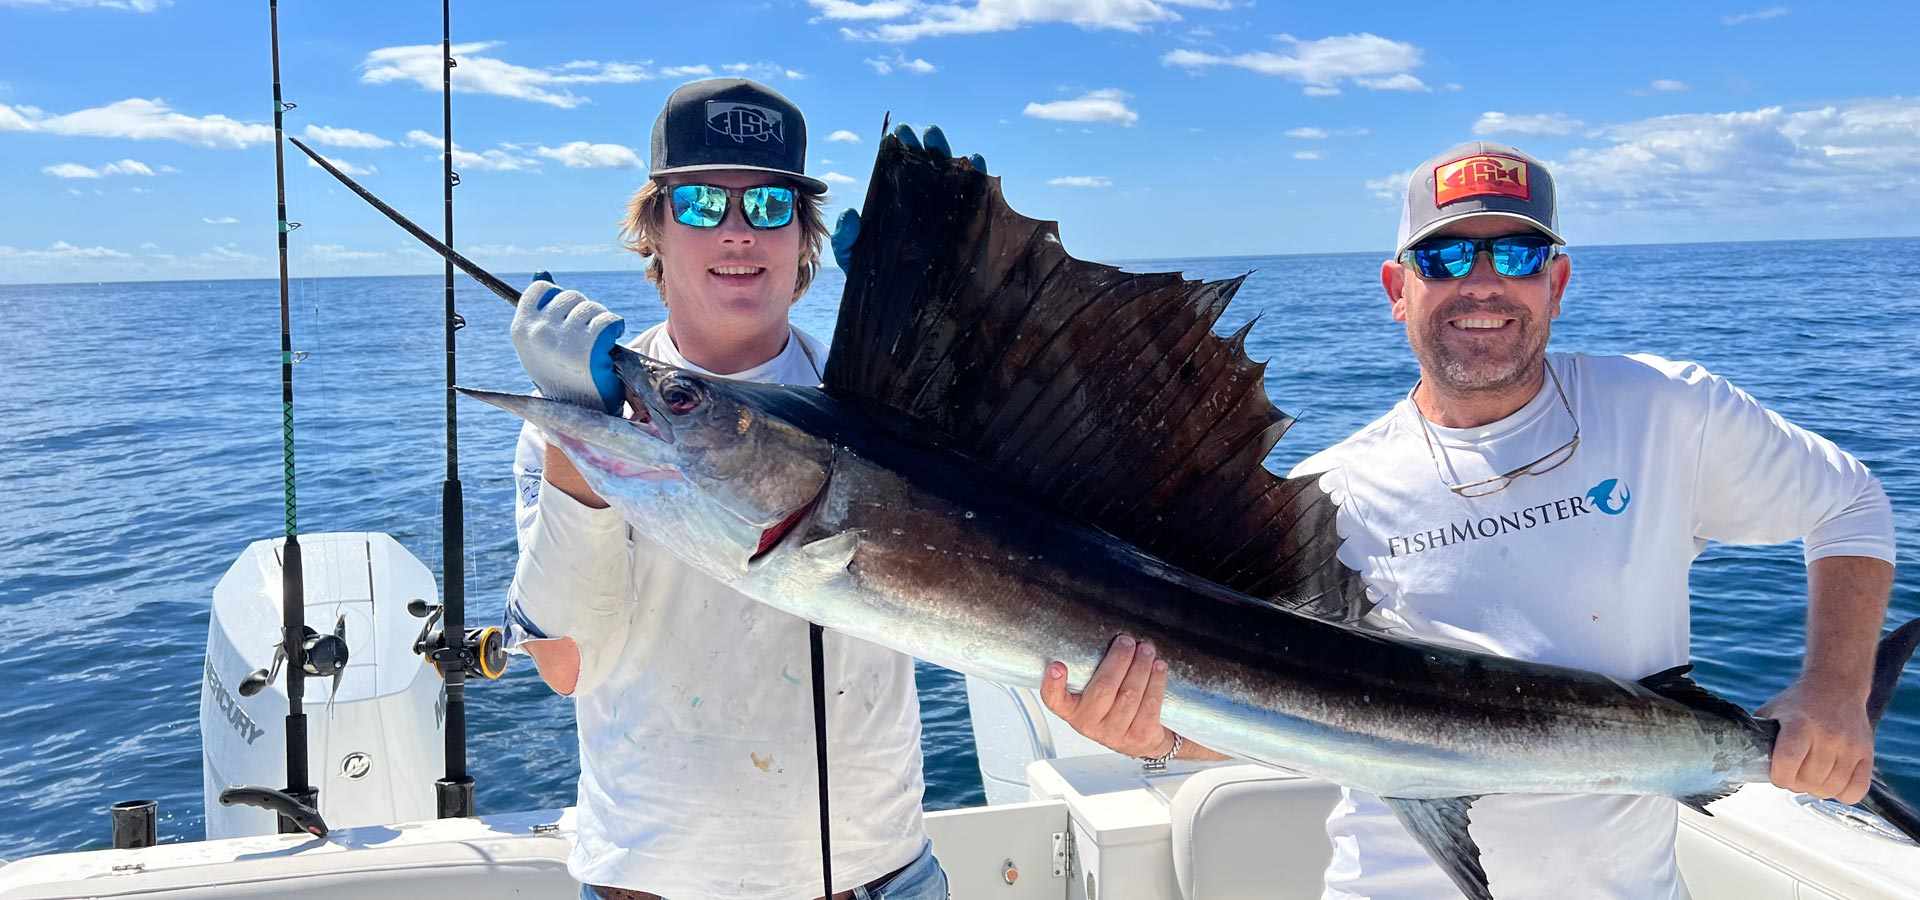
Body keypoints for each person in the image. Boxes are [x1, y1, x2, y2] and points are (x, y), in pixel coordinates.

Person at [1040, 141, 1895, 898]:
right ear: (1396, 290)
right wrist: (1158, 735)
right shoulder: (1324, 496)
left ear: (1555, 283)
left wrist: (1835, 688)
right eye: (1445, 255)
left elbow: (1850, 503)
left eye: (1516, 253)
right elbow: (1277, 713)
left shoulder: (1665, 412)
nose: (1482, 283)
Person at [504, 77, 972, 900]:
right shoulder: (578, 419)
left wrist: (943, 333)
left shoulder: (890, 408)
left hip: (881, 879)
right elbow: (566, 664)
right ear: (653, 229)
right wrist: (575, 443)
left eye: (766, 208)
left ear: (803, 237)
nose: (737, 233)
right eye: (698, 205)